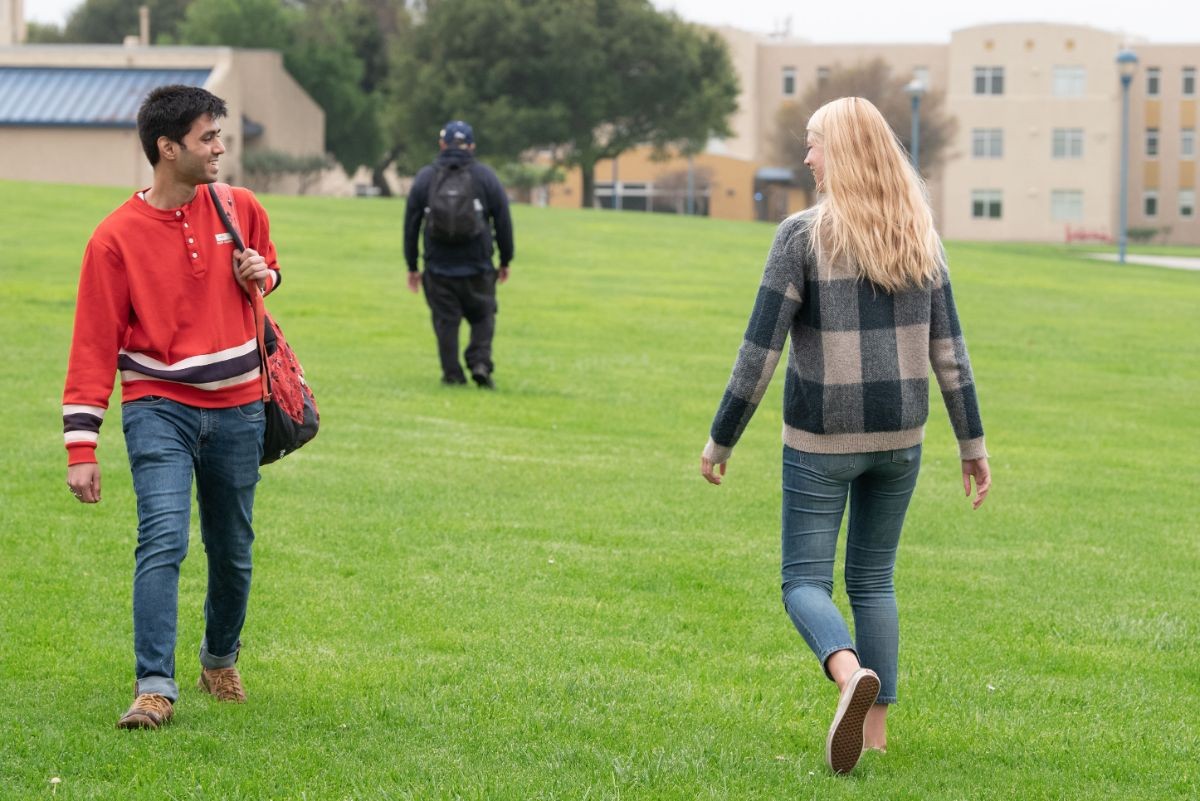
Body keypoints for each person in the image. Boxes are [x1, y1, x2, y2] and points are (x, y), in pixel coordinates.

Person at [699, 96, 991, 775]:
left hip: (821, 440)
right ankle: (876, 734)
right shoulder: (921, 235)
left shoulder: (801, 236)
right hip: (901, 440)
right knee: (873, 580)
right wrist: (972, 446)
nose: (807, 157)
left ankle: (846, 671)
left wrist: (722, 438)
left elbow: (759, 351)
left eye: (815, 144)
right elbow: (952, 352)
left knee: (803, 579)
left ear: (846, 152)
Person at [62, 85, 282, 729]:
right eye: (208, 138)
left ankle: (219, 658)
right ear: (168, 148)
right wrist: (82, 446)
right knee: (162, 538)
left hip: (241, 405)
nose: (220, 148)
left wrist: (258, 277)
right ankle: (155, 685)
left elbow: (267, 270)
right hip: (159, 406)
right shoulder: (114, 239)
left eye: (220, 136)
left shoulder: (241, 208)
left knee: (232, 545)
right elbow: (93, 343)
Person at [404, 120, 514, 388]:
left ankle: (452, 375)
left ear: (442, 144)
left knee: (446, 322)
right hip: (478, 266)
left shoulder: (425, 177)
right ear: (471, 146)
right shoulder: (485, 177)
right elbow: (503, 220)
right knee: (483, 316)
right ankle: (479, 363)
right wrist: (505, 259)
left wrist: (412, 265)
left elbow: (411, 224)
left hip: (438, 268)